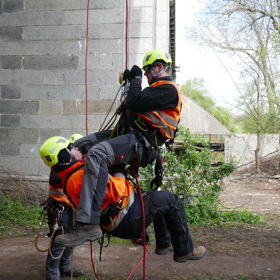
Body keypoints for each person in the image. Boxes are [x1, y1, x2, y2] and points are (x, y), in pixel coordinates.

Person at [55, 48, 182, 248]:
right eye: (145, 71)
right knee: (82, 145)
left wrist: (136, 79)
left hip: (142, 143)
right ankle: (83, 200)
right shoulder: (154, 91)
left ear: (159, 67)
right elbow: (132, 107)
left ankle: (89, 222)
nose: (147, 74)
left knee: (97, 154)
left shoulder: (168, 89)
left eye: (148, 70)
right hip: (130, 136)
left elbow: (135, 101)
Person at [39, 136, 206, 263]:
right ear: (65, 155)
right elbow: (116, 191)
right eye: (71, 147)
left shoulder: (70, 178)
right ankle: (185, 250)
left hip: (117, 220)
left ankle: (163, 244)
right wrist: (120, 171)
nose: (76, 148)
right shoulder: (81, 176)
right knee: (171, 200)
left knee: (158, 202)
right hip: (127, 218)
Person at [39, 135, 84, 280]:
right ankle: (52, 275)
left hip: (70, 209)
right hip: (59, 210)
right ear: (63, 154)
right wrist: (79, 161)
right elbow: (62, 177)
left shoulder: (67, 165)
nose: (73, 150)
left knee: (70, 240)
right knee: (59, 241)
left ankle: (65, 268)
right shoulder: (58, 171)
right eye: (70, 148)